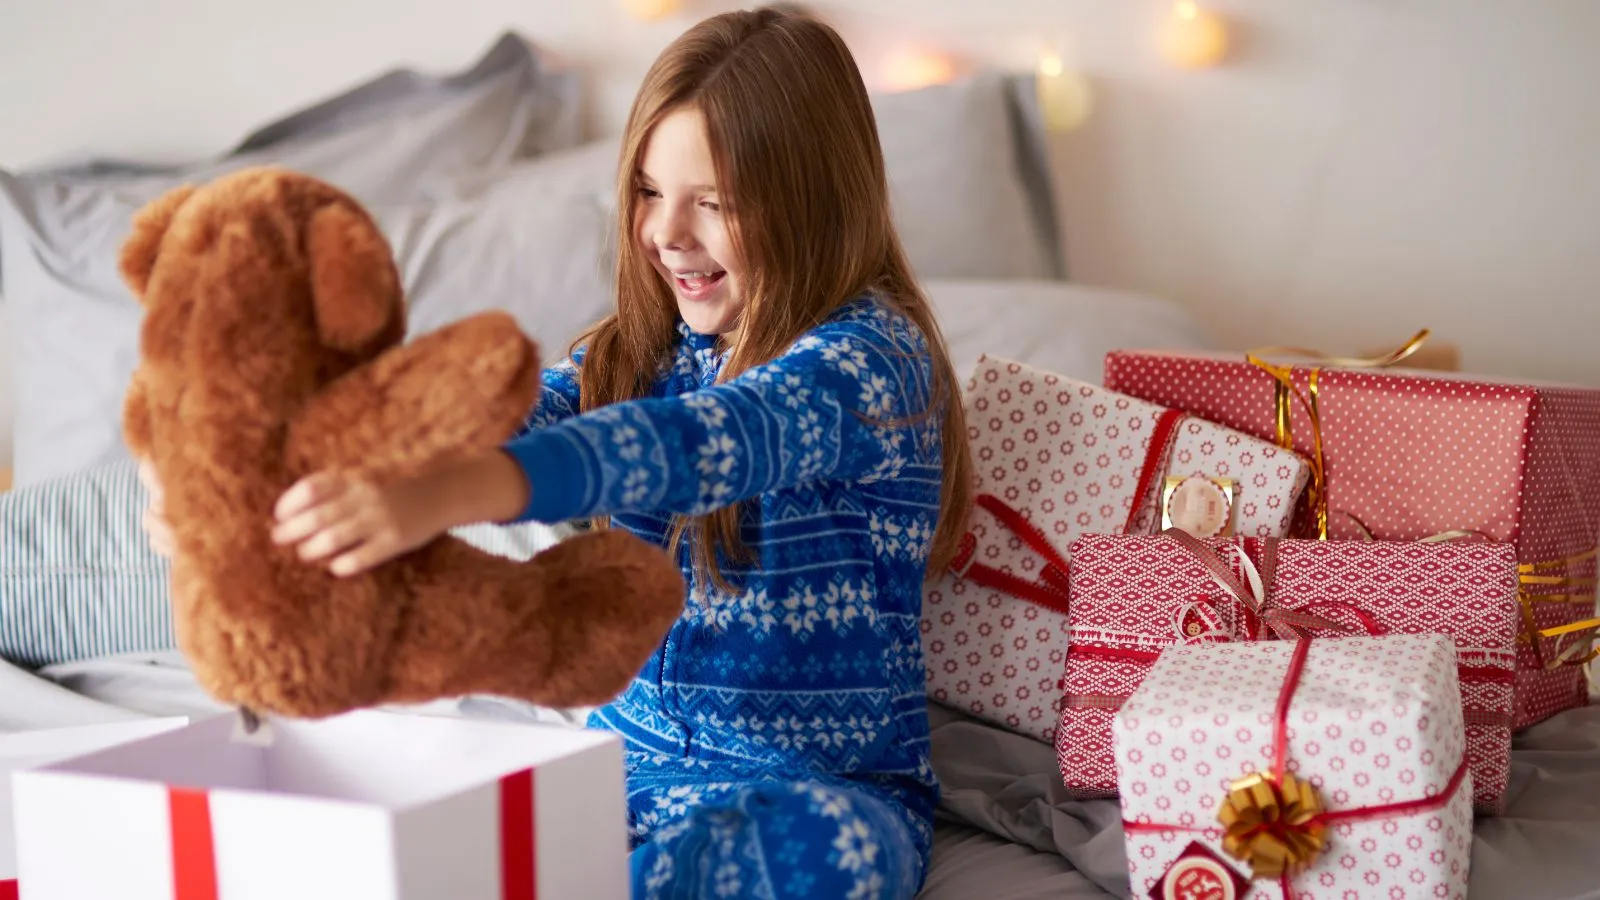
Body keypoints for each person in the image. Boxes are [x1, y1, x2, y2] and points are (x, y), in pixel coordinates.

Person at [144, 6, 973, 897]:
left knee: (823, 852)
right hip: (620, 774)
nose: (667, 232)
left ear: (814, 203)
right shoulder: (638, 354)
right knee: (419, 831)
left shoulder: (872, 363)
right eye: (648, 191)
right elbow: (502, 416)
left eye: (714, 202)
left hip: (821, 789)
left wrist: (449, 494)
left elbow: (698, 443)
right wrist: (258, 485)